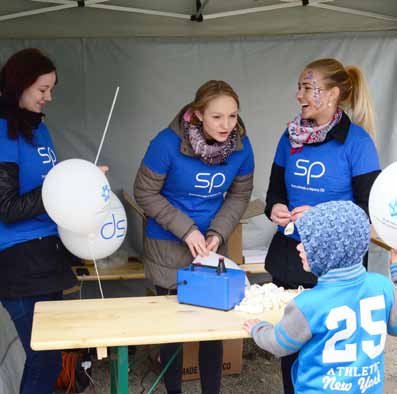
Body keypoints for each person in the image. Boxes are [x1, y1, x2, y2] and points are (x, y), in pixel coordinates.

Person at [264, 58, 381, 393]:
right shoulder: (289, 138)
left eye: (307, 87)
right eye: (299, 86)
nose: (299, 94)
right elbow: (274, 190)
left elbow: (365, 213)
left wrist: (317, 218)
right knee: (291, 350)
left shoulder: (357, 143)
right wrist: (276, 208)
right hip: (290, 258)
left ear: (333, 94)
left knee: (327, 358)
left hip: (335, 266)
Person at [134, 80, 254, 394]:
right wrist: (186, 228)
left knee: (212, 331)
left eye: (232, 116)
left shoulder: (241, 146)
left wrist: (218, 233)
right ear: (198, 113)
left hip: (211, 249)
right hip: (167, 248)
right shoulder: (166, 143)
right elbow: (144, 192)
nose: (227, 125)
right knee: (173, 333)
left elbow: (240, 195)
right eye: (217, 117)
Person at [244, 200, 397, 394]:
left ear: (327, 253)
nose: (299, 247)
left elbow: (279, 344)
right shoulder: (382, 285)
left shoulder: (307, 304)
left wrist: (259, 329)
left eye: (307, 243)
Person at [0, 48, 77, 394]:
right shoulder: (3, 131)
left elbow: (51, 188)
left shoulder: (38, 130)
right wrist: (60, 185)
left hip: (50, 254)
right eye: (43, 89)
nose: (50, 97)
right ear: (19, 85)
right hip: (17, 261)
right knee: (40, 359)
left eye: (52, 89)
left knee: (50, 357)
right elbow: (8, 207)